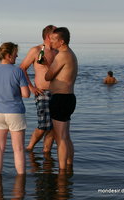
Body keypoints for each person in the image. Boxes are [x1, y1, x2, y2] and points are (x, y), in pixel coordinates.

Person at [0, 42, 30, 175]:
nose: (17, 56)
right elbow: (26, 94)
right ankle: (21, 182)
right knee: (19, 149)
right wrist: (13, 93)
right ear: (8, 56)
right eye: (15, 54)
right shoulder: (18, 71)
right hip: (14, 112)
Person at [45, 27, 78, 170]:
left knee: (61, 138)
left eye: (53, 39)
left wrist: (47, 64)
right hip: (69, 98)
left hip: (60, 98)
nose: (50, 41)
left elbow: (48, 76)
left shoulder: (62, 55)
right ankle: (69, 165)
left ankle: (62, 171)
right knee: (66, 135)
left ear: (62, 41)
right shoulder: (71, 54)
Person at [20, 25, 57, 153]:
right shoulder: (36, 50)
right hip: (42, 92)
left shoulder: (58, 51)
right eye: (56, 33)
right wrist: (31, 87)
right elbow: (22, 68)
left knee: (54, 127)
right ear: (48, 36)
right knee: (44, 126)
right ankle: (30, 148)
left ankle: (47, 152)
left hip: (57, 93)